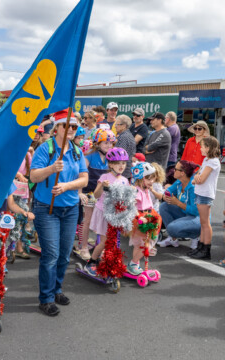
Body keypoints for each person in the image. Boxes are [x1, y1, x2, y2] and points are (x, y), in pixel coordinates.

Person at [30, 109, 88, 316]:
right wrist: (51, 169)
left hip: (70, 208)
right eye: (68, 126)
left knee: (64, 255)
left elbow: (84, 179)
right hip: (47, 208)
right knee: (51, 254)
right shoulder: (45, 149)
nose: (72, 129)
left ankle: (57, 290)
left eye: (75, 126)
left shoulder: (76, 150)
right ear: (57, 128)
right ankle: (45, 298)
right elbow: (34, 176)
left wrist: (66, 186)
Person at [83, 148, 130, 276]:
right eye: (117, 163)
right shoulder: (104, 177)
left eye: (123, 163)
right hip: (103, 213)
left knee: (114, 241)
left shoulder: (125, 180)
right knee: (105, 241)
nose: (121, 166)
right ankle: (91, 262)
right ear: (110, 164)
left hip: (116, 215)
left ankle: (109, 262)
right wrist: (102, 186)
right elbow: (97, 195)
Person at [76, 128, 115, 260]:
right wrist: (80, 192)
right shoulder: (89, 156)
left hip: (103, 195)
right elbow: (81, 174)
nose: (109, 146)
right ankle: (84, 246)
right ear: (97, 143)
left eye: (111, 143)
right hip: (90, 193)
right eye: (105, 143)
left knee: (103, 221)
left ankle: (100, 246)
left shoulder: (111, 158)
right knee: (88, 219)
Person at [190, 137, 222, 260]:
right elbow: (197, 175)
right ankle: (201, 246)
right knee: (203, 223)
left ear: (208, 148)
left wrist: (197, 178)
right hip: (200, 192)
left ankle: (206, 248)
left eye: (202, 146)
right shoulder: (206, 160)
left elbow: (201, 179)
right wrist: (197, 178)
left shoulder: (212, 161)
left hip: (205, 194)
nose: (201, 148)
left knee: (205, 223)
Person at [157, 160, 200, 249]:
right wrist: (166, 196)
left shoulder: (193, 187)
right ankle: (173, 239)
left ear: (182, 173)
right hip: (185, 214)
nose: (173, 170)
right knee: (164, 206)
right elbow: (169, 191)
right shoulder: (179, 182)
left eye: (175, 169)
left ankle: (196, 236)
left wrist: (177, 202)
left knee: (171, 228)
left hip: (197, 218)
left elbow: (195, 211)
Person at [113, 114, 136, 179]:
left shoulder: (124, 137)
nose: (115, 126)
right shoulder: (127, 135)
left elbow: (119, 156)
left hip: (122, 172)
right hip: (125, 170)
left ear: (124, 126)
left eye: (117, 124)